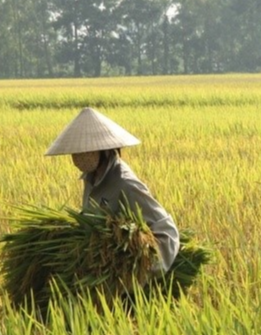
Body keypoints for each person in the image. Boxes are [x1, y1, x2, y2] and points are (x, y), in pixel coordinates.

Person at [45, 107, 180, 276]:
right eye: (76, 152)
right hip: (98, 271)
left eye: (87, 151)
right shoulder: (91, 178)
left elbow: (166, 229)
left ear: (103, 149)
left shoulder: (125, 184)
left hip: (122, 282)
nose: (79, 158)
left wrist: (144, 273)